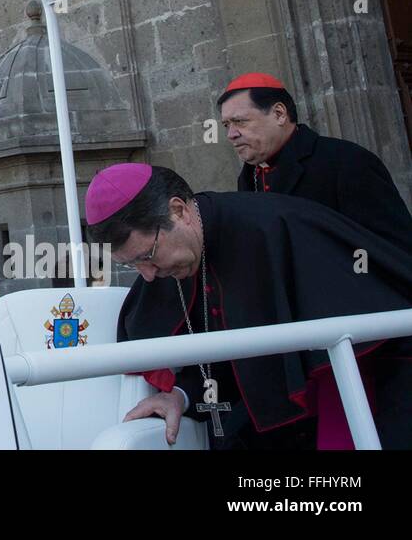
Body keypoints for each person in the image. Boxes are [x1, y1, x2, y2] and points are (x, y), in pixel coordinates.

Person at [85, 163, 412, 450]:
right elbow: (223, 362)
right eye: (132, 265)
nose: (149, 277)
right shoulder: (175, 261)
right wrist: (180, 397)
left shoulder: (276, 226)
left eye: (147, 255)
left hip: (355, 404)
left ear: (179, 211)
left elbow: (359, 343)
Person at [217, 72, 412, 253]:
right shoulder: (248, 178)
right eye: (227, 125)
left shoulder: (347, 161)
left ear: (279, 114)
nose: (231, 134)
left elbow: (391, 248)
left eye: (240, 121)